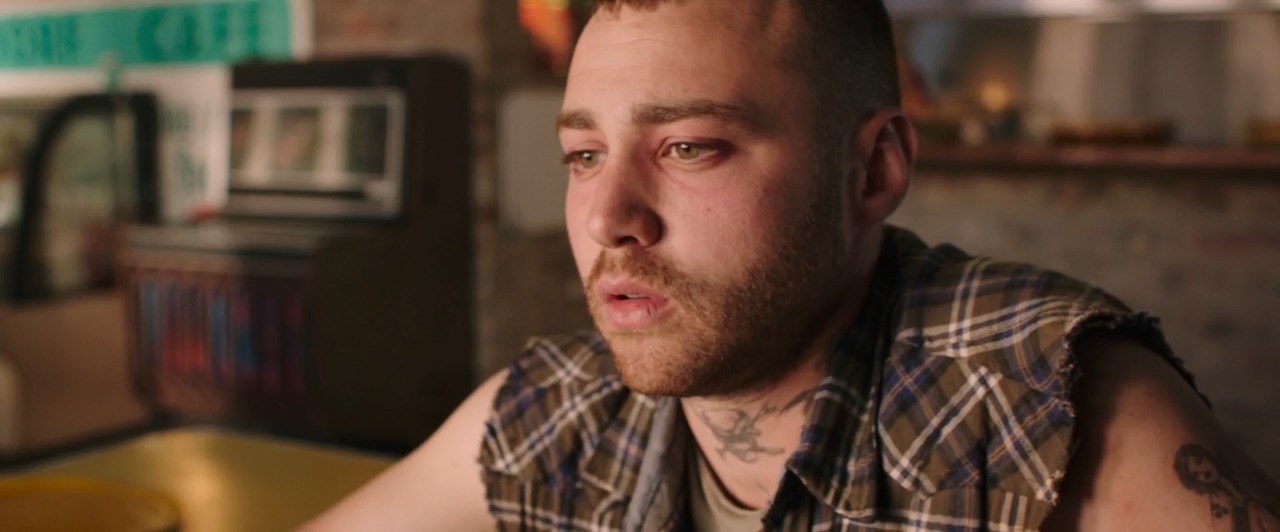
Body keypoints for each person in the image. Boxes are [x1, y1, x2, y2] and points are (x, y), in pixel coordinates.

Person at [303, 0, 1280, 530]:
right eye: (583, 155)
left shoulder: (1041, 404)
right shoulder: (552, 415)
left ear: (873, 169)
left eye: (689, 147)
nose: (606, 218)